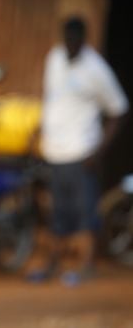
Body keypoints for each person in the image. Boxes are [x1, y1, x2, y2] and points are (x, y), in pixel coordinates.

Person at [29, 16, 129, 287]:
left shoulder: (96, 69)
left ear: (84, 39)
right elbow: (52, 99)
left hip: (81, 155)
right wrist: (38, 132)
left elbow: (119, 111)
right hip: (54, 153)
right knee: (56, 212)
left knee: (85, 214)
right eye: (67, 39)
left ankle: (85, 267)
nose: (70, 44)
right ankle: (53, 264)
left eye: (75, 39)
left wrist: (97, 153)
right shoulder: (55, 58)